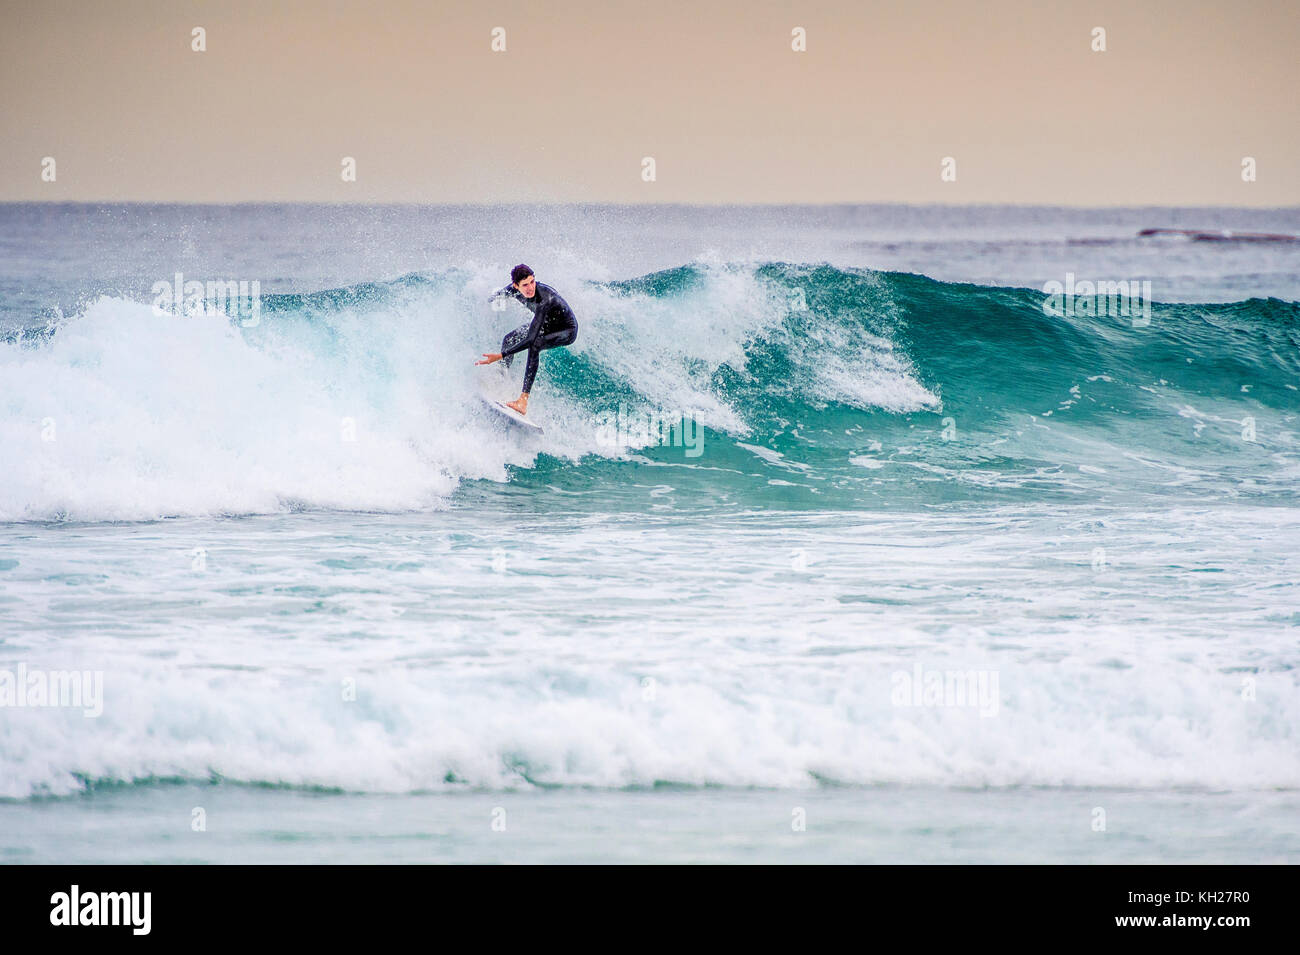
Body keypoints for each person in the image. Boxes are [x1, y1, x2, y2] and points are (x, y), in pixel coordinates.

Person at [476, 264, 578, 415]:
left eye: (532, 281)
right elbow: (496, 296)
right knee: (509, 339)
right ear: (516, 286)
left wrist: (500, 355)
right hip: (546, 324)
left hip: (566, 330)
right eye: (525, 285)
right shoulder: (512, 290)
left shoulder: (545, 299)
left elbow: (531, 339)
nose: (530, 287)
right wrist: (485, 301)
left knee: (535, 345)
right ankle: (500, 378)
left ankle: (523, 401)